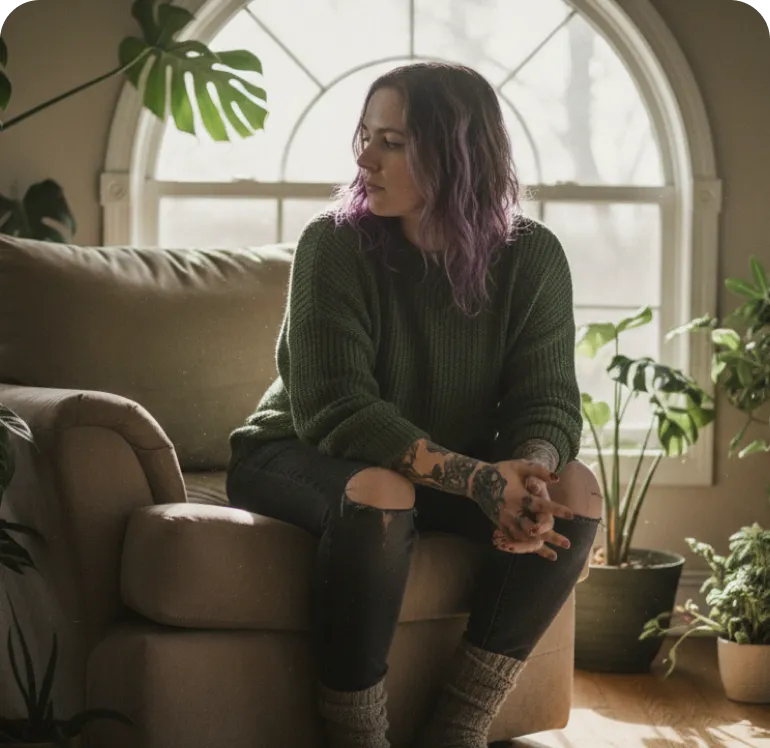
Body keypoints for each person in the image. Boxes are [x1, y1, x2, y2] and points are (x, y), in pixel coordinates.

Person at [226, 61, 602, 748]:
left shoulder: (533, 256)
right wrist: (481, 480)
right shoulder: (332, 245)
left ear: (458, 155)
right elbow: (337, 407)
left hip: (441, 469)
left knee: (575, 489)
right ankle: (355, 733)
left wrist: (529, 475)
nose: (364, 157)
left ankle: (459, 729)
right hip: (303, 454)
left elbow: (546, 397)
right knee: (381, 490)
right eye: (365, 135)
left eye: (392, 141)